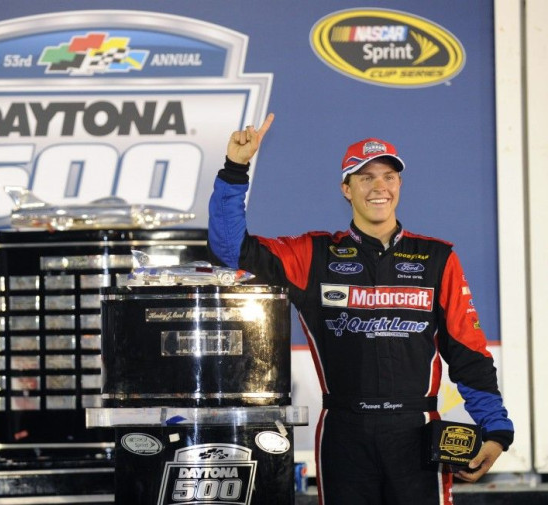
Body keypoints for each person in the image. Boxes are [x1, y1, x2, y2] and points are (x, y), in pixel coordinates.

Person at [207, 113, 514, 504]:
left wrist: (496, 429)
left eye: (388, 176)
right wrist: (236, 169)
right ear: (346, 189)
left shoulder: (437, 258)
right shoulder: (313, 255)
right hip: (344, 432)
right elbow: (229, 251)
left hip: (416, 432)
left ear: (400, 184)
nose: (378, 187)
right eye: (365, 177)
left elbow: (468, 353)